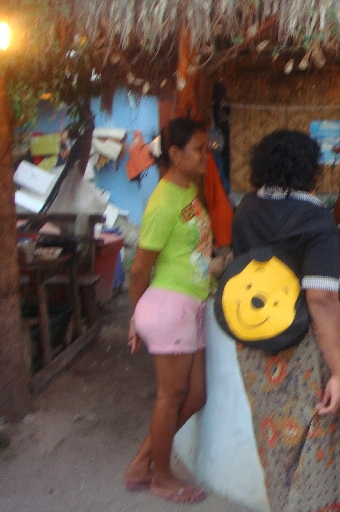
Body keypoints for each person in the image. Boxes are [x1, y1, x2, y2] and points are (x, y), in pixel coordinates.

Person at [231, 130, 340, 512]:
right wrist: (337, 372)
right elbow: (320, 299)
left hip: (255, 347)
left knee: (275, 445)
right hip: (304, 350)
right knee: (317, 443)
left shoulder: (246, 208)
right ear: (311, 171)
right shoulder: (314, 219)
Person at [124, 118, 219, 504]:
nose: (206, 156)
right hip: (168, 304)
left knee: (195, 395)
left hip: (188, 303)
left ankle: (141, 464)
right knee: (171, 394)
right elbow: (138, 269)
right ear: (176, 154)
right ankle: (160, 476)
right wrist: (137, 315)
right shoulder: (163, 201)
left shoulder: (189, 190)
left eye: (207, 148)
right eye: (199, 149)